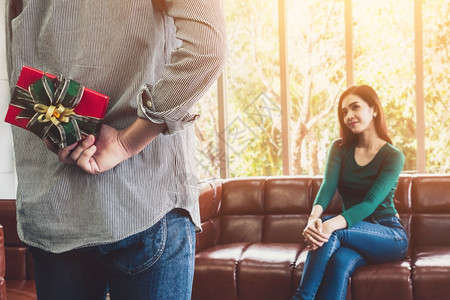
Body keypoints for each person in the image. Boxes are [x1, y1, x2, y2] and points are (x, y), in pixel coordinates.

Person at [5, 0, 227, 299]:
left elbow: (22, 51)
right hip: (143, 200)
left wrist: (62, 132)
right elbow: (207, 49)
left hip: (53, 206)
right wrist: (127, 142)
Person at [292, 85, 408, 300]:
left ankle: (301, 298)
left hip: (389, 235)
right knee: (338, 263)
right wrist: (313, 220)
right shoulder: (339, 148)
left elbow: (370, 203)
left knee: (331, 229)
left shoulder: (393, 156)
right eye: (344, 112)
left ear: (374, 109)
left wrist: (328, 224)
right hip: (352, 233)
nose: (349, 116)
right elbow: (328, 185)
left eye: (355, 107)